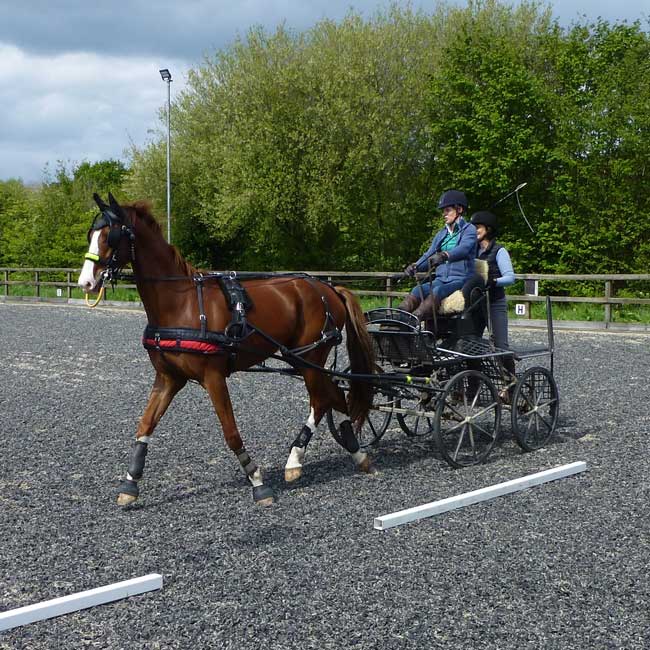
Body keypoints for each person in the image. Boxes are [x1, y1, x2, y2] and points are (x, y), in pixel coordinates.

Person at [397, 189, 477, 321]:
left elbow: (464, 249)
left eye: (447, 210)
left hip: (461, 279)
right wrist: (415, 266)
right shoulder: (441, 234)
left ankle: (414, 320)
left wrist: (445, 255)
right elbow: (429, 254)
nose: (444, 214)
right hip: (440, 279)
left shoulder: (469, 229)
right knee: (418, 290)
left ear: (459, 209)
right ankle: (398, 316)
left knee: (438, 291)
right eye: (443, 211)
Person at [470, 210, 516, 372]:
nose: (474, 231)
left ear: (488, 229)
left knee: (501, 346)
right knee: (470, 346)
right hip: (476, 304)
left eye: (478, 227)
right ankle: (473, 385)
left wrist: (494, 281)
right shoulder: (472, 251)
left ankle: (510, 384)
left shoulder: (499, 251)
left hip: (495, 303)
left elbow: (510, 278)